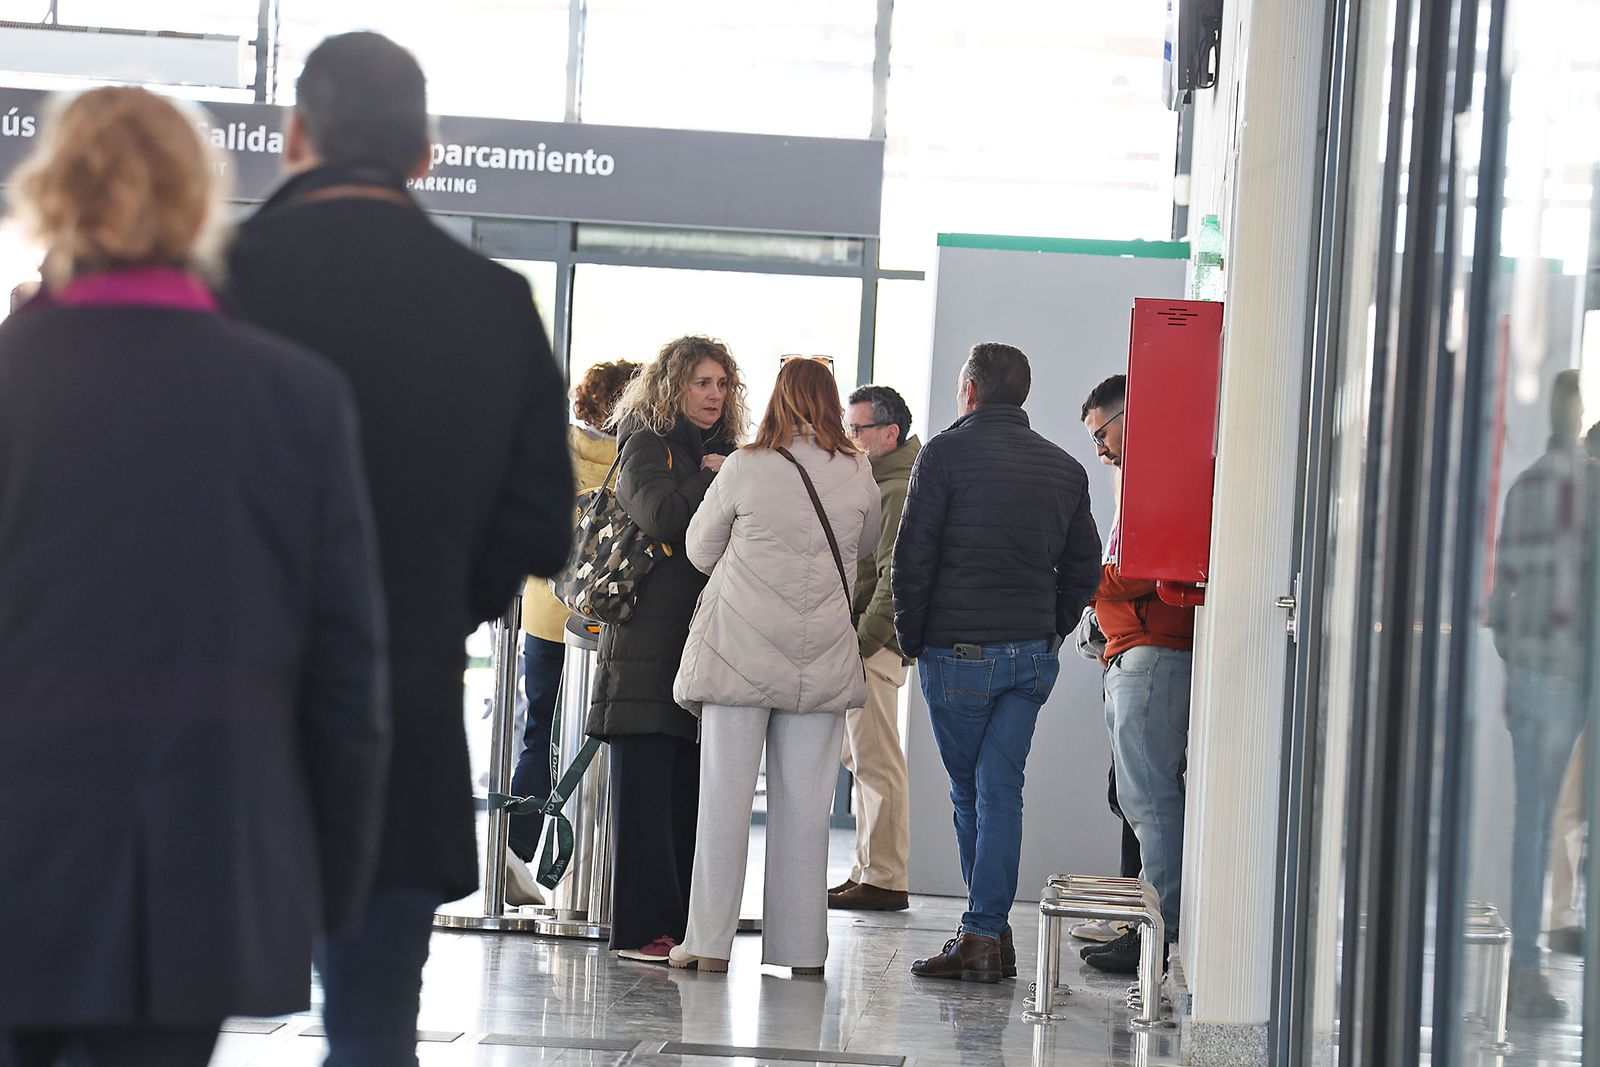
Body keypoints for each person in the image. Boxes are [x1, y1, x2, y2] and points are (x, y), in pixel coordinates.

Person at [0, 87, 387, 1067]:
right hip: (203, 856)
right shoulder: (293, 397)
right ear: (198, 198)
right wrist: (329, 888)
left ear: (50, 193)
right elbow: (345, 673)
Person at [225, 33, 573, 1065]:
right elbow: (540, 526)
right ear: (424, 154)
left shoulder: (217, 279)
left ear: (293, 137)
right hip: (401, 707)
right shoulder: (493, 302)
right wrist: (429, 607)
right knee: (373, 1030)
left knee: (153, 1019)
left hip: (216, 720)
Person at [893, 342, 1102, 982]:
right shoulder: (1065, 468)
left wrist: (911, 637)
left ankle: (981, 934)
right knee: (1001, 790)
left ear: (970, 392)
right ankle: (993, 933)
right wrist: (1051, 629)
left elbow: (913, 557)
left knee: (971, 795)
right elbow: (1084, 567)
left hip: (957, 655)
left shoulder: (945, 456)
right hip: (1030, 660)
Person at [667, 357, 881, 972]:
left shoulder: (746, 465)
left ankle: (708, 945)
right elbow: (864, 548)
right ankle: (801, 951)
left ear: (777, 400)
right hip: (821, 660)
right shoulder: (856, 468)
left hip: (740, 654)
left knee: (724, 804)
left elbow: (700, 550)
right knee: (807, 811)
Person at [587, 335, 746, 962]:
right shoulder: (643, 441)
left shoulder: (722, 452)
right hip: (645, 647)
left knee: (683, 798)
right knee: (647, 797)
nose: (713, 395)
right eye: (700, 383)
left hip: (700, 645)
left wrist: (718, 469)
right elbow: (661, 518)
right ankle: (639, 930)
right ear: (672, 386)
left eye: (721, 384)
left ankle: (677, 928)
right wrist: (709, 479)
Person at [506, 358, 642, 902]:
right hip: (611, 618)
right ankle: (590, 872)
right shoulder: (642, 456)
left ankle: (516, 855)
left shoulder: (551, 449)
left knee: (538, 731)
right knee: (602, 742)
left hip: (546, 610)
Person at [1078, 373, 1195, 976]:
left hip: (1150, 653)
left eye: (1103, 432)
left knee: (1149, 802)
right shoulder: (1143, 483)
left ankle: (1156, 929)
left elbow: (1150, 566)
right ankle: (1146, 920)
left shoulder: (1164, 480)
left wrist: (1079, 577)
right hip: (1133, 651)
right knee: (1137, 798)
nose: (1100, 449)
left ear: (1133, 415)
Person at [1488, 369, 1595, 1017]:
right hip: (1573, 675)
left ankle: (1525, 966)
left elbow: (1501, 597)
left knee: (1533, 823)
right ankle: (1530, 968)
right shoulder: (1591, 487)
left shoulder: (1527, 484)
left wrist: (1518, 660)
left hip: (1533, 675)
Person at [830, 384, 922, 912]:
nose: (849, 437)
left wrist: (862, 641)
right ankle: (869, 870)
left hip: (873, 644)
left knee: (877, 760)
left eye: (857, 429)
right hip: (864, 641)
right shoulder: (875, 482)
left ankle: (885, 877)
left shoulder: (898, 488)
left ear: (889, 433)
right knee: (864, 758)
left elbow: (893, 579)